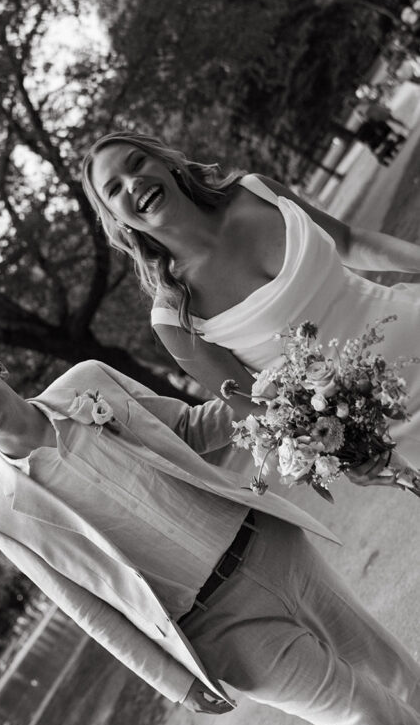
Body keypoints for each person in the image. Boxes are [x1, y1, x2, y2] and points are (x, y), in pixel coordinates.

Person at [0, 340, 420, 725]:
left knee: (395, 671)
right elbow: (90, 611)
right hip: (220, 629)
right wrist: (173, 683)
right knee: (370, 719)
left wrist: (274, 397)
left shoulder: (89, 380)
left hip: (269, 545)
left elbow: (189, 429)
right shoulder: (4, 518)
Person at [80, 131, 420, 471]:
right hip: (393, 426)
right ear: (116, 219)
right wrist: (357, 455)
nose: (132, 182)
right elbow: (264, 412)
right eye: (113, 188)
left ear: (166, 163)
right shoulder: (174, 317)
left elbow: (349, 240)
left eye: (137, 162)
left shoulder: (255, 191)